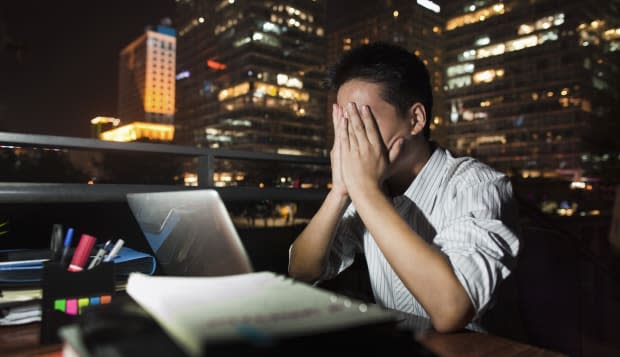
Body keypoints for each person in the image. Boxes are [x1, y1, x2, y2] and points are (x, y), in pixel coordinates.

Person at [288, 42, 520, 333]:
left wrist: (365, 191)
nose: (352, 134)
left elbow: (452, 310)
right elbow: (301, 271)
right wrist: (341, 192)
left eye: (364, 120)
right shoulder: (371, 189)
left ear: (415, 119)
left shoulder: (475, 185)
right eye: (346, 122)